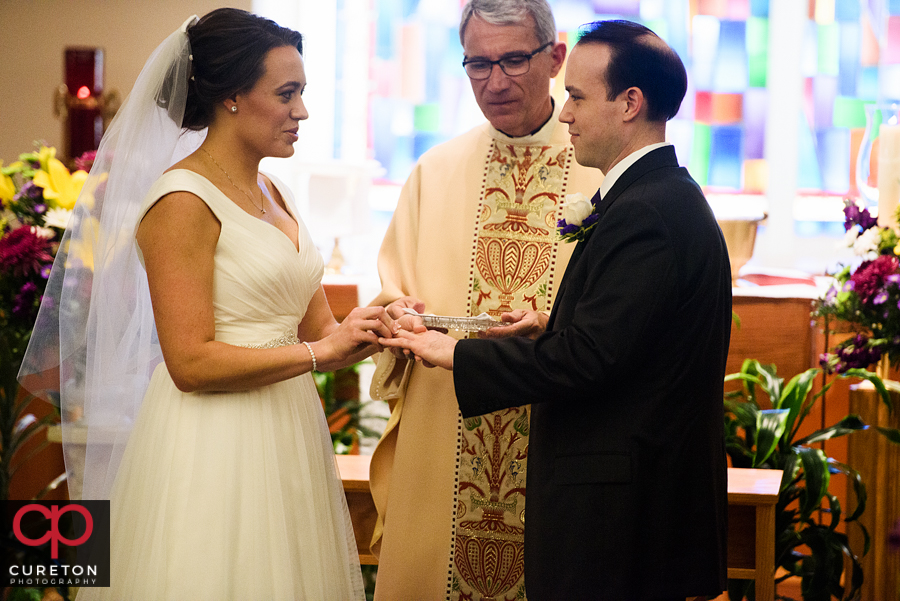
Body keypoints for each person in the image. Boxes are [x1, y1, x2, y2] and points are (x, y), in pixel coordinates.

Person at [19, 8, 392, 599]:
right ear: (232, 97)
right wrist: (321, 351)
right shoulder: (182, 200)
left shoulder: (277, 191)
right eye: (287, 93)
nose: (303, 112)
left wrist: (382, 326)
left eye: (303, 93)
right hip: (216, 440)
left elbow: (323, 330)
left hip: (287, 430)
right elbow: (190, 364)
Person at [381, 19, 731, 601]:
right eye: (477, 63)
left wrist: (457, 353)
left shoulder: (646, 210)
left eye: (575, 95)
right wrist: (554, 323)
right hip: (631, 505)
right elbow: (625, 337)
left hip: (623, 510)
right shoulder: (658, 197)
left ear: (630, 104)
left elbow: (588, 360)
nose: (565, 113)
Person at [366, 0, 603, 598]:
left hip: (558, 436)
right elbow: (394, 293)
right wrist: (397, 318)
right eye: (478, 64)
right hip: (446, 428)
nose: (494, 82)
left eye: (514, 60)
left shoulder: (603, 172)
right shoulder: (434, 171)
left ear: (555, 58)